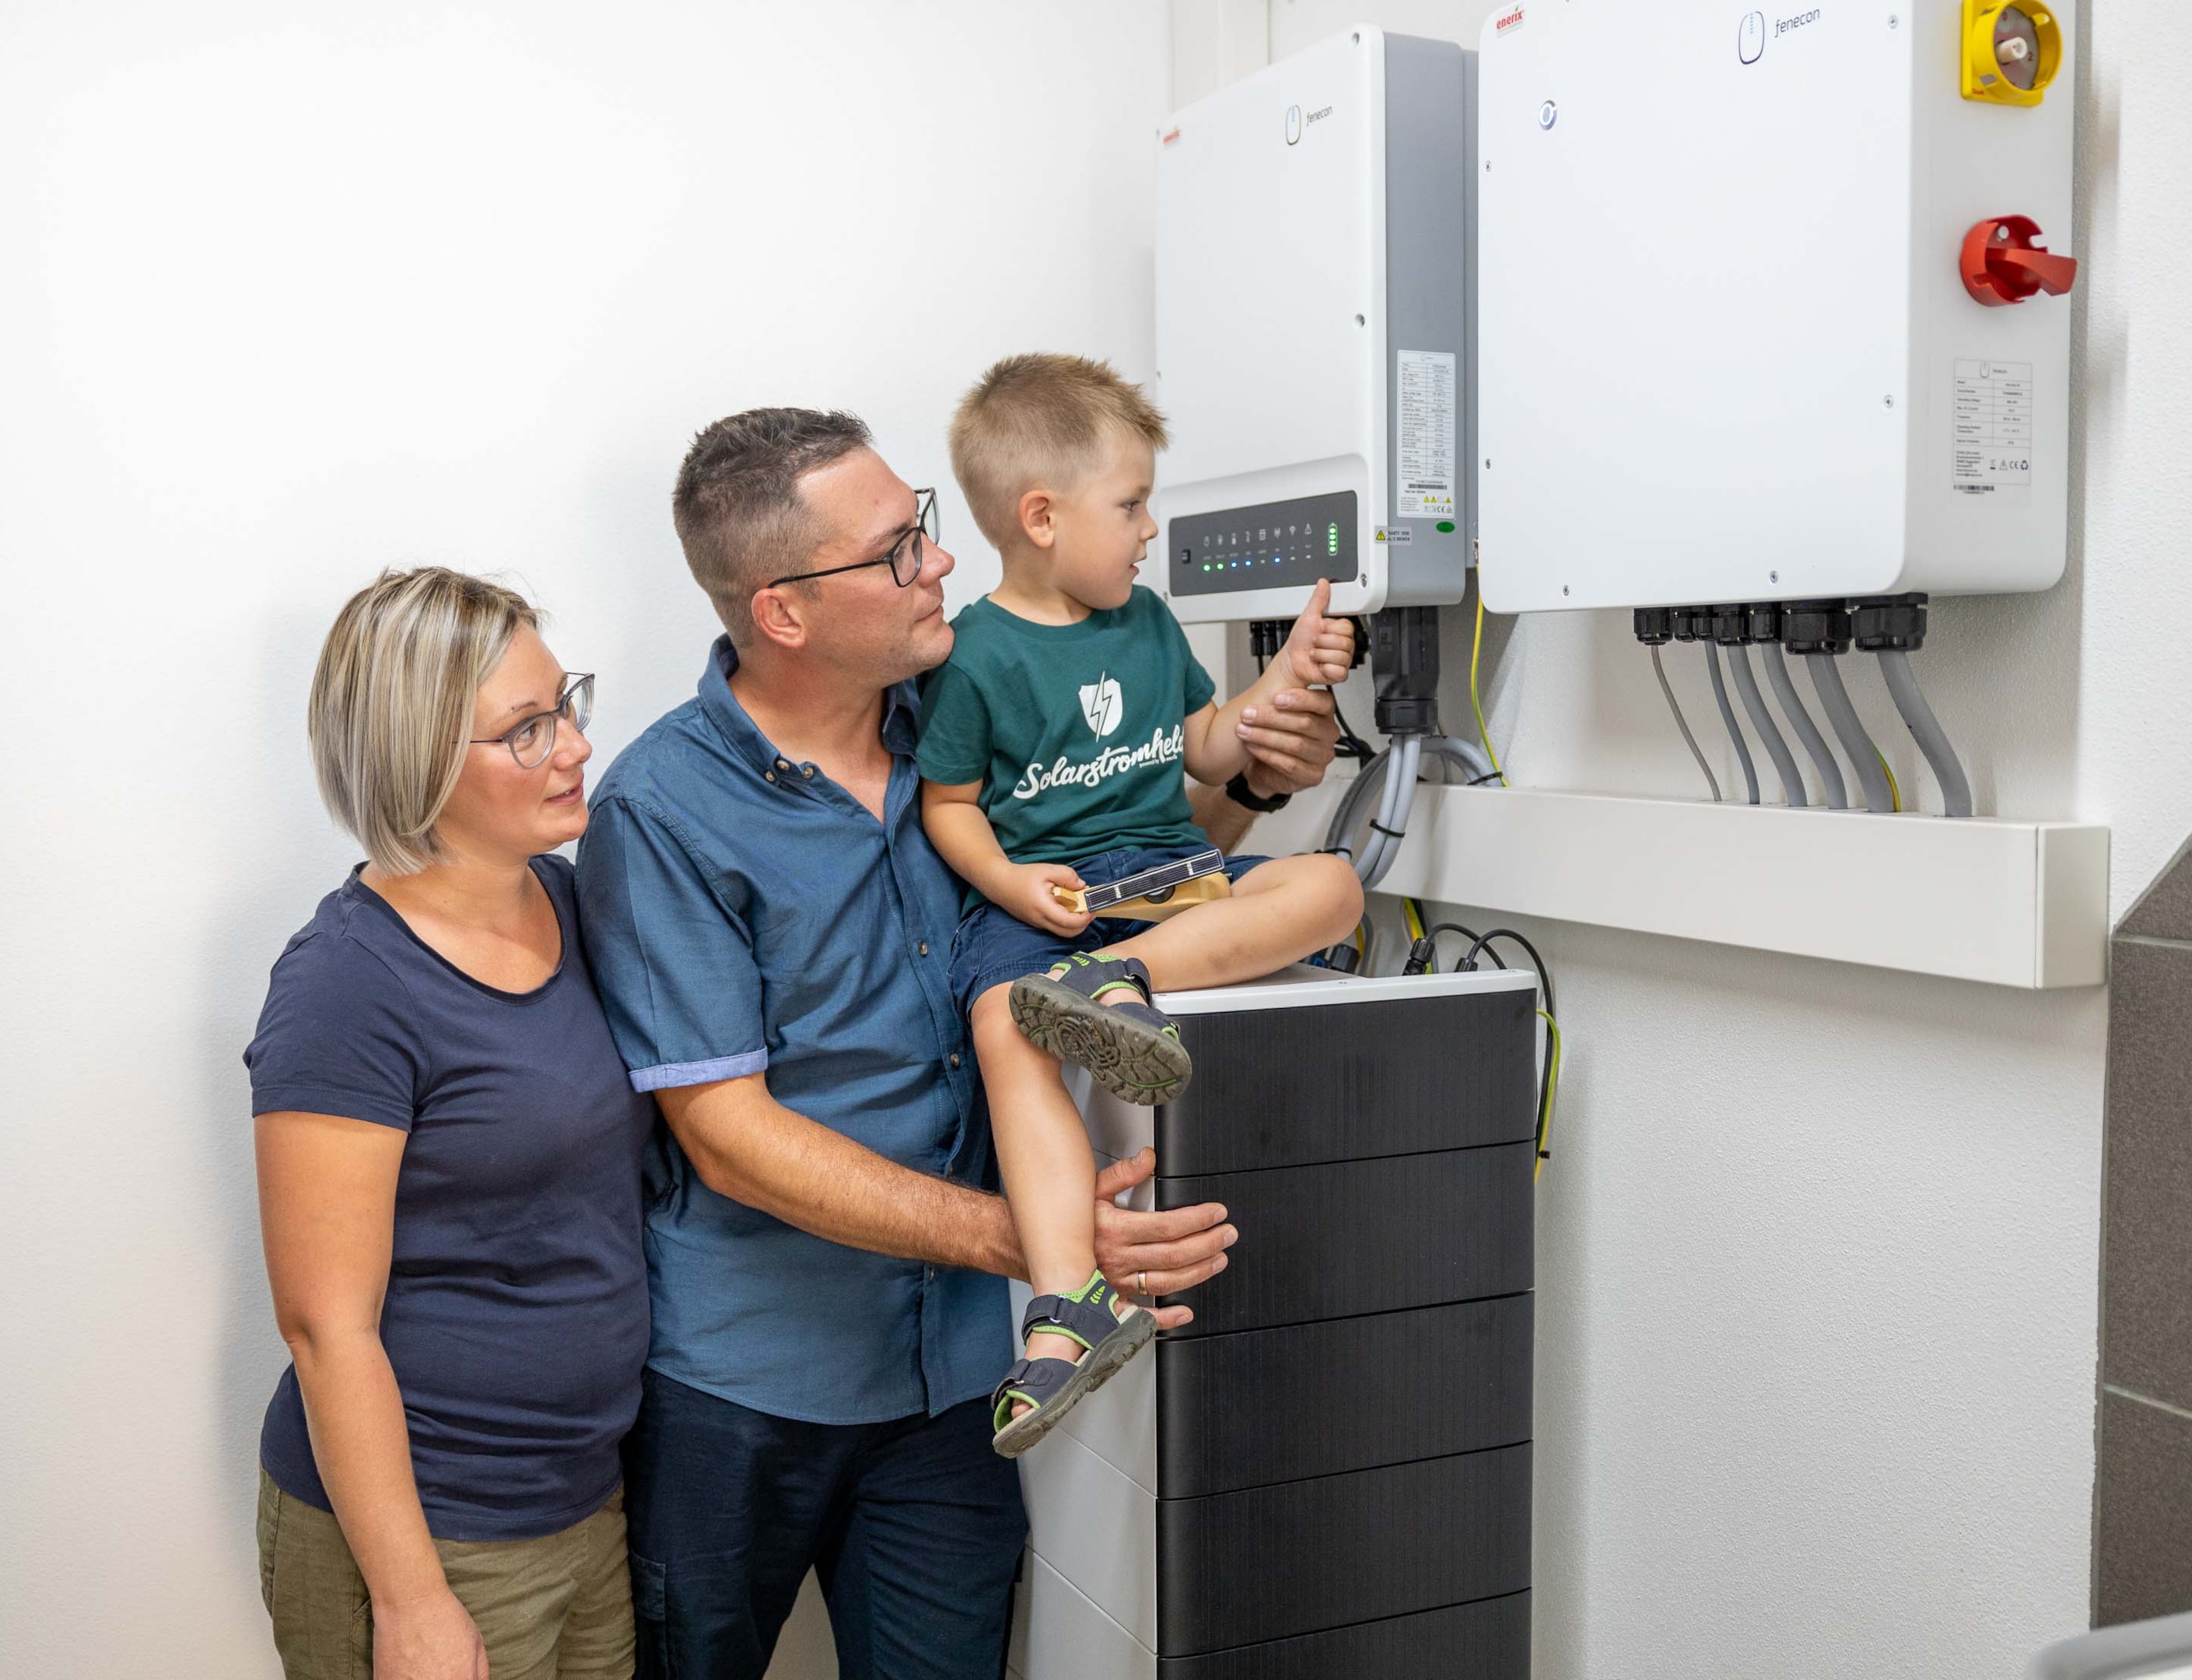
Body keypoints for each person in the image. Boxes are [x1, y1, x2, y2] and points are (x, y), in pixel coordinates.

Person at [574, 406, 1340, 1680]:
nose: (938, 561)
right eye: (897, 550)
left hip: (956, 1390)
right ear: (783, 612)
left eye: (920, 523)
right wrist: (1042, 1248)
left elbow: (1126, 852)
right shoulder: (661, 812)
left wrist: (1254, 779)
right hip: (747, 1391)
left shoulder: (965, 705)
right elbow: (732, 1143)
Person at [918, 354, 1364, 1455]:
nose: (1150, 529)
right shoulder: (975, 656)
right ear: (1041, 517)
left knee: (1335, 885)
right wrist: (1010, 882)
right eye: (1130, 506)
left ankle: (1117, 987)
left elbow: (1208, 749)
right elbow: (949, 805)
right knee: (999, 1023)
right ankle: (1064, 1311)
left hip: (1173, 886)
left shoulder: (1150, 621)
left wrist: (1286, 686)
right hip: (1051, 906)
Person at [249, 568, 653, 1680]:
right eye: (526, 730)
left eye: (563, 704)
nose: (572, 745)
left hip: (581, 1502)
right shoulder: (347, 985)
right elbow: (326, 1325)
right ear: (416, 761)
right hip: (429, 1537)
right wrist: (413, 1602)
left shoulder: (570, 904)